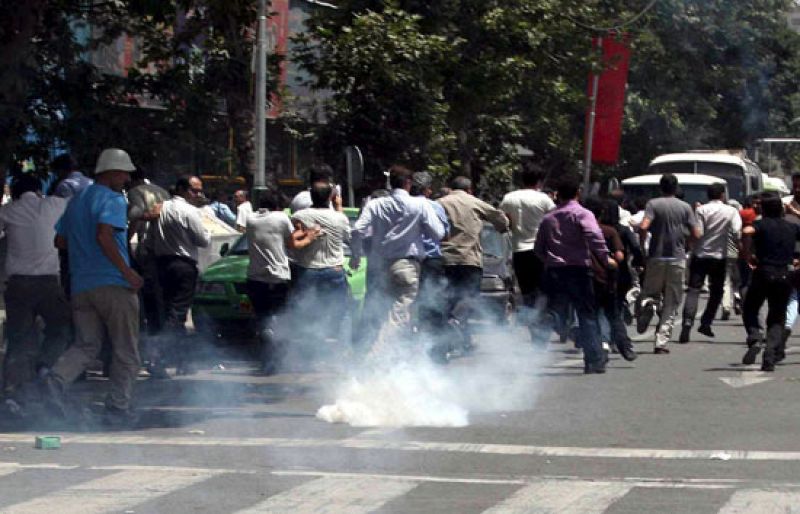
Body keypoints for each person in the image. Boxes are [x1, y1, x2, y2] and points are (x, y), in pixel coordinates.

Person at [44, 148, 143, 423]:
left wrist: (83, 247)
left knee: (86, 345)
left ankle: (56, 379)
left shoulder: (76, 202)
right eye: (124, 173)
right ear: (111, 173)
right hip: (113, 283)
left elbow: (60, 242)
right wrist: (128, 272)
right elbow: (104, 236)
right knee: (126, 349)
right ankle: (118, 407)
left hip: (81, 285)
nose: (126, 179)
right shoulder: (112, 199)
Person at [0, 174, 71, 415]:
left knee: (18, 338)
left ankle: (13, 392)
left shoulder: (8, 211)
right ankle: (45, 365)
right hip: (49, 283)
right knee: (61, 327)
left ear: (17, 193)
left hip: (18, 284)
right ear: (39, 191)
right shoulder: (54, 204)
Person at [351, 166, 446, 341]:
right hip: (406, 265)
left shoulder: (375, 204)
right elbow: (438, 233)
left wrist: (355, 255)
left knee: (377, 311)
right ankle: (382, 356)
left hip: (379, 266)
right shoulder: (420, 204)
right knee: (399, 315)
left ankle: (365, 351)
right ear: (408, 183)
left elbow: (357, 230)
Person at [534, 178, 611, 374]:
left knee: (557, 309)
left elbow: (539, 248)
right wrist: (603, 259)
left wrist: (550, 261)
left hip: (554, 271)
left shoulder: (549, 218)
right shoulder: (583, 214)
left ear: (558, 195)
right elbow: (595, 237)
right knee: (586, 315)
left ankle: (549, 322)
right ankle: (593, 360)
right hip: (578, 270)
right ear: (578, 193)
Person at [438, 176, 509, 353]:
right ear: (469, 189)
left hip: (444, 259)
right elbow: (500, 220)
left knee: (446, 299)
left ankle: (452, 339)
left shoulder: (438, 203)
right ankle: (455, 322)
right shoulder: (474, 202)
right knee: (468, 297)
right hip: (470, 259)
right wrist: (503, 227)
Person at [151, 176, 211, 377]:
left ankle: (181, 359)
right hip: (183, 265)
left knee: (172, 312)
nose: (198, 195)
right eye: (195, 191)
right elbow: (203, 240)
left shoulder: (160, 208)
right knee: (177, 314)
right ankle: (158, 356)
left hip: (162, 264)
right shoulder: (189, 211)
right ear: (183, 190)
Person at [636, 173, 701, 354]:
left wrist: (643, 247)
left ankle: (651, 305)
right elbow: (696, 233)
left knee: (650, 292)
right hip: (677, 258)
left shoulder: (653, 204)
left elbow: (643, 226)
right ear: (676, 187)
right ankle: (661, 342)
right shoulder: (685, 207)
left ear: (660, 187)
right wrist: (688, 246)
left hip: (656, 257)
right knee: (672, 302)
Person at [741, 193, 800, 371]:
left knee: (751, 307)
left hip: (763, 272)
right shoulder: (792, 227)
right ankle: (769, 355)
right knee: (777, 317)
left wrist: (747, 253)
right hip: (785, 274)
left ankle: (755, 337)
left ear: (764, 210)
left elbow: (746, 231)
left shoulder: (761, 224)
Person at [289, 182, 352, 345]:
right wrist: (339, 208)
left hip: (307, 271)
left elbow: (292, 238)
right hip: (334, 270)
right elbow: (348, 236)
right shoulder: (340, 218)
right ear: (331, 197)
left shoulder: (299, 216)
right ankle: (334, 343)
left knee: (305, 311)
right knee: (340, 310)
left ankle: (309, 344)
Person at [679, 183, 741, 343]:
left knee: (693, 290)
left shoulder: (701, 210)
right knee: (717, 291)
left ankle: (687, 321)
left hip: (700, 254)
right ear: (722, 195)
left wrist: (692, 244)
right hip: (719, 256)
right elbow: (736, 231)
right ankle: (706, 322)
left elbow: (697, 232)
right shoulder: (731, 211)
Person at [499, 164, 555, 324]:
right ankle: (541, 327)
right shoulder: (544, 199)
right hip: (540, 251)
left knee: (526, 292)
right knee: (543, 291)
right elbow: (554, 222)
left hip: (519, 251)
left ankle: (532, 325)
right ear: (539, 181)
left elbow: (503, 221)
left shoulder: (509, 198)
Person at [583, 197, 637, 362]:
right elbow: (620, 256)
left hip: (585, 279)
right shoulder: (609, 231)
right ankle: (625, 347)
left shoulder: (578, 232)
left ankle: (597, 351)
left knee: (591, 316)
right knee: (613, 315)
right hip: (608, 280)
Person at [246, 191, 292, 373]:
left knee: (263, 319)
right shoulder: (281, 218)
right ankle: (276, 359)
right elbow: (291, 241)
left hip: (255, 278)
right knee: (279, 320)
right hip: (278, 278)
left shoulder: (250, 219)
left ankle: (266, 359)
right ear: (277, 206)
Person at [410, 172, 450, 359]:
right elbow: (445, 233)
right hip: (432, 261)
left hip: (408, 260)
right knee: (434, 305)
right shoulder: (435, 206)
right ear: (427, 190)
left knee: (409, 304)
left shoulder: (403, 205)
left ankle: (411, 350)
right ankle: (438, 351)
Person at [127, 169, 170, 339]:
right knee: (162, 292)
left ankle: (153, 332)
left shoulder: (134, 192)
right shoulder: (162, 191)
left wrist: (127, 237)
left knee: (148, 292)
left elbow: (135, 215)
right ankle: (165, 329)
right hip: (164, 245)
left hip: (147, 247)